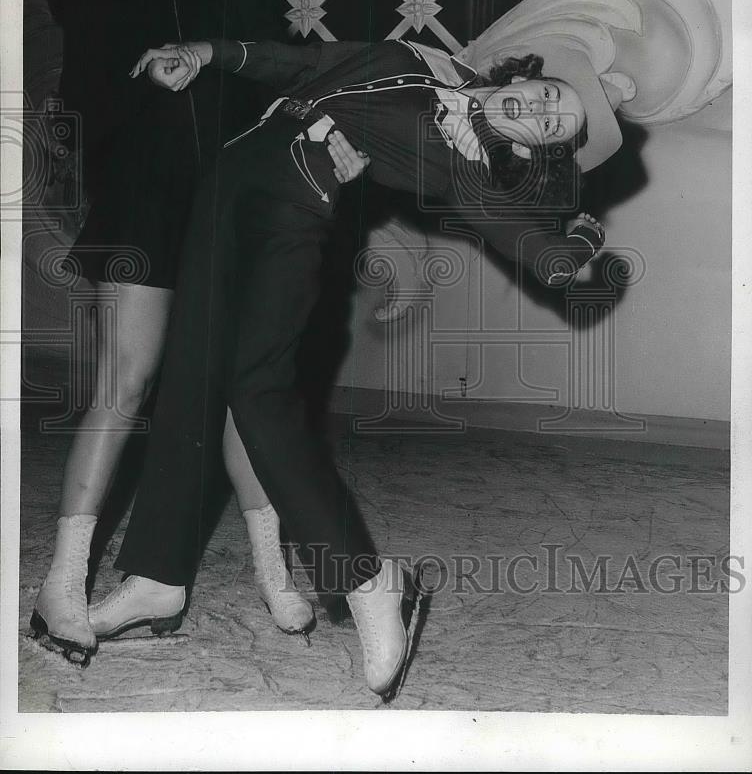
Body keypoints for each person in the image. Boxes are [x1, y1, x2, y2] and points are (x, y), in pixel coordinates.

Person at [87, 35, 619, 700]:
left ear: (532, 149)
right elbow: (304, 61)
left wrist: (585, 237)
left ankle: (367, 582)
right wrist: (207, 53)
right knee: (189, 374)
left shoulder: (468, 168)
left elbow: (549, 260)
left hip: (293, 208)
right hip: (227, 180)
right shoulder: (411, 58)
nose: (540, 109)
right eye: (550, 95)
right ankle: (157, 578)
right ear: (528, 73)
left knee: (257, 389)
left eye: (551, 125)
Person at [30, 0, 370, 667]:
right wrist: (146, 80)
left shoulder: (238, 2)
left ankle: (272, 571)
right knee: (125, 383)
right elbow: (81, 125)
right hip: (142, 215)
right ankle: (60, 585)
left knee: (237, 397)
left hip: (228, 221)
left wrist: (332, 138)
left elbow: (290, 94)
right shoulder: (102, 1)